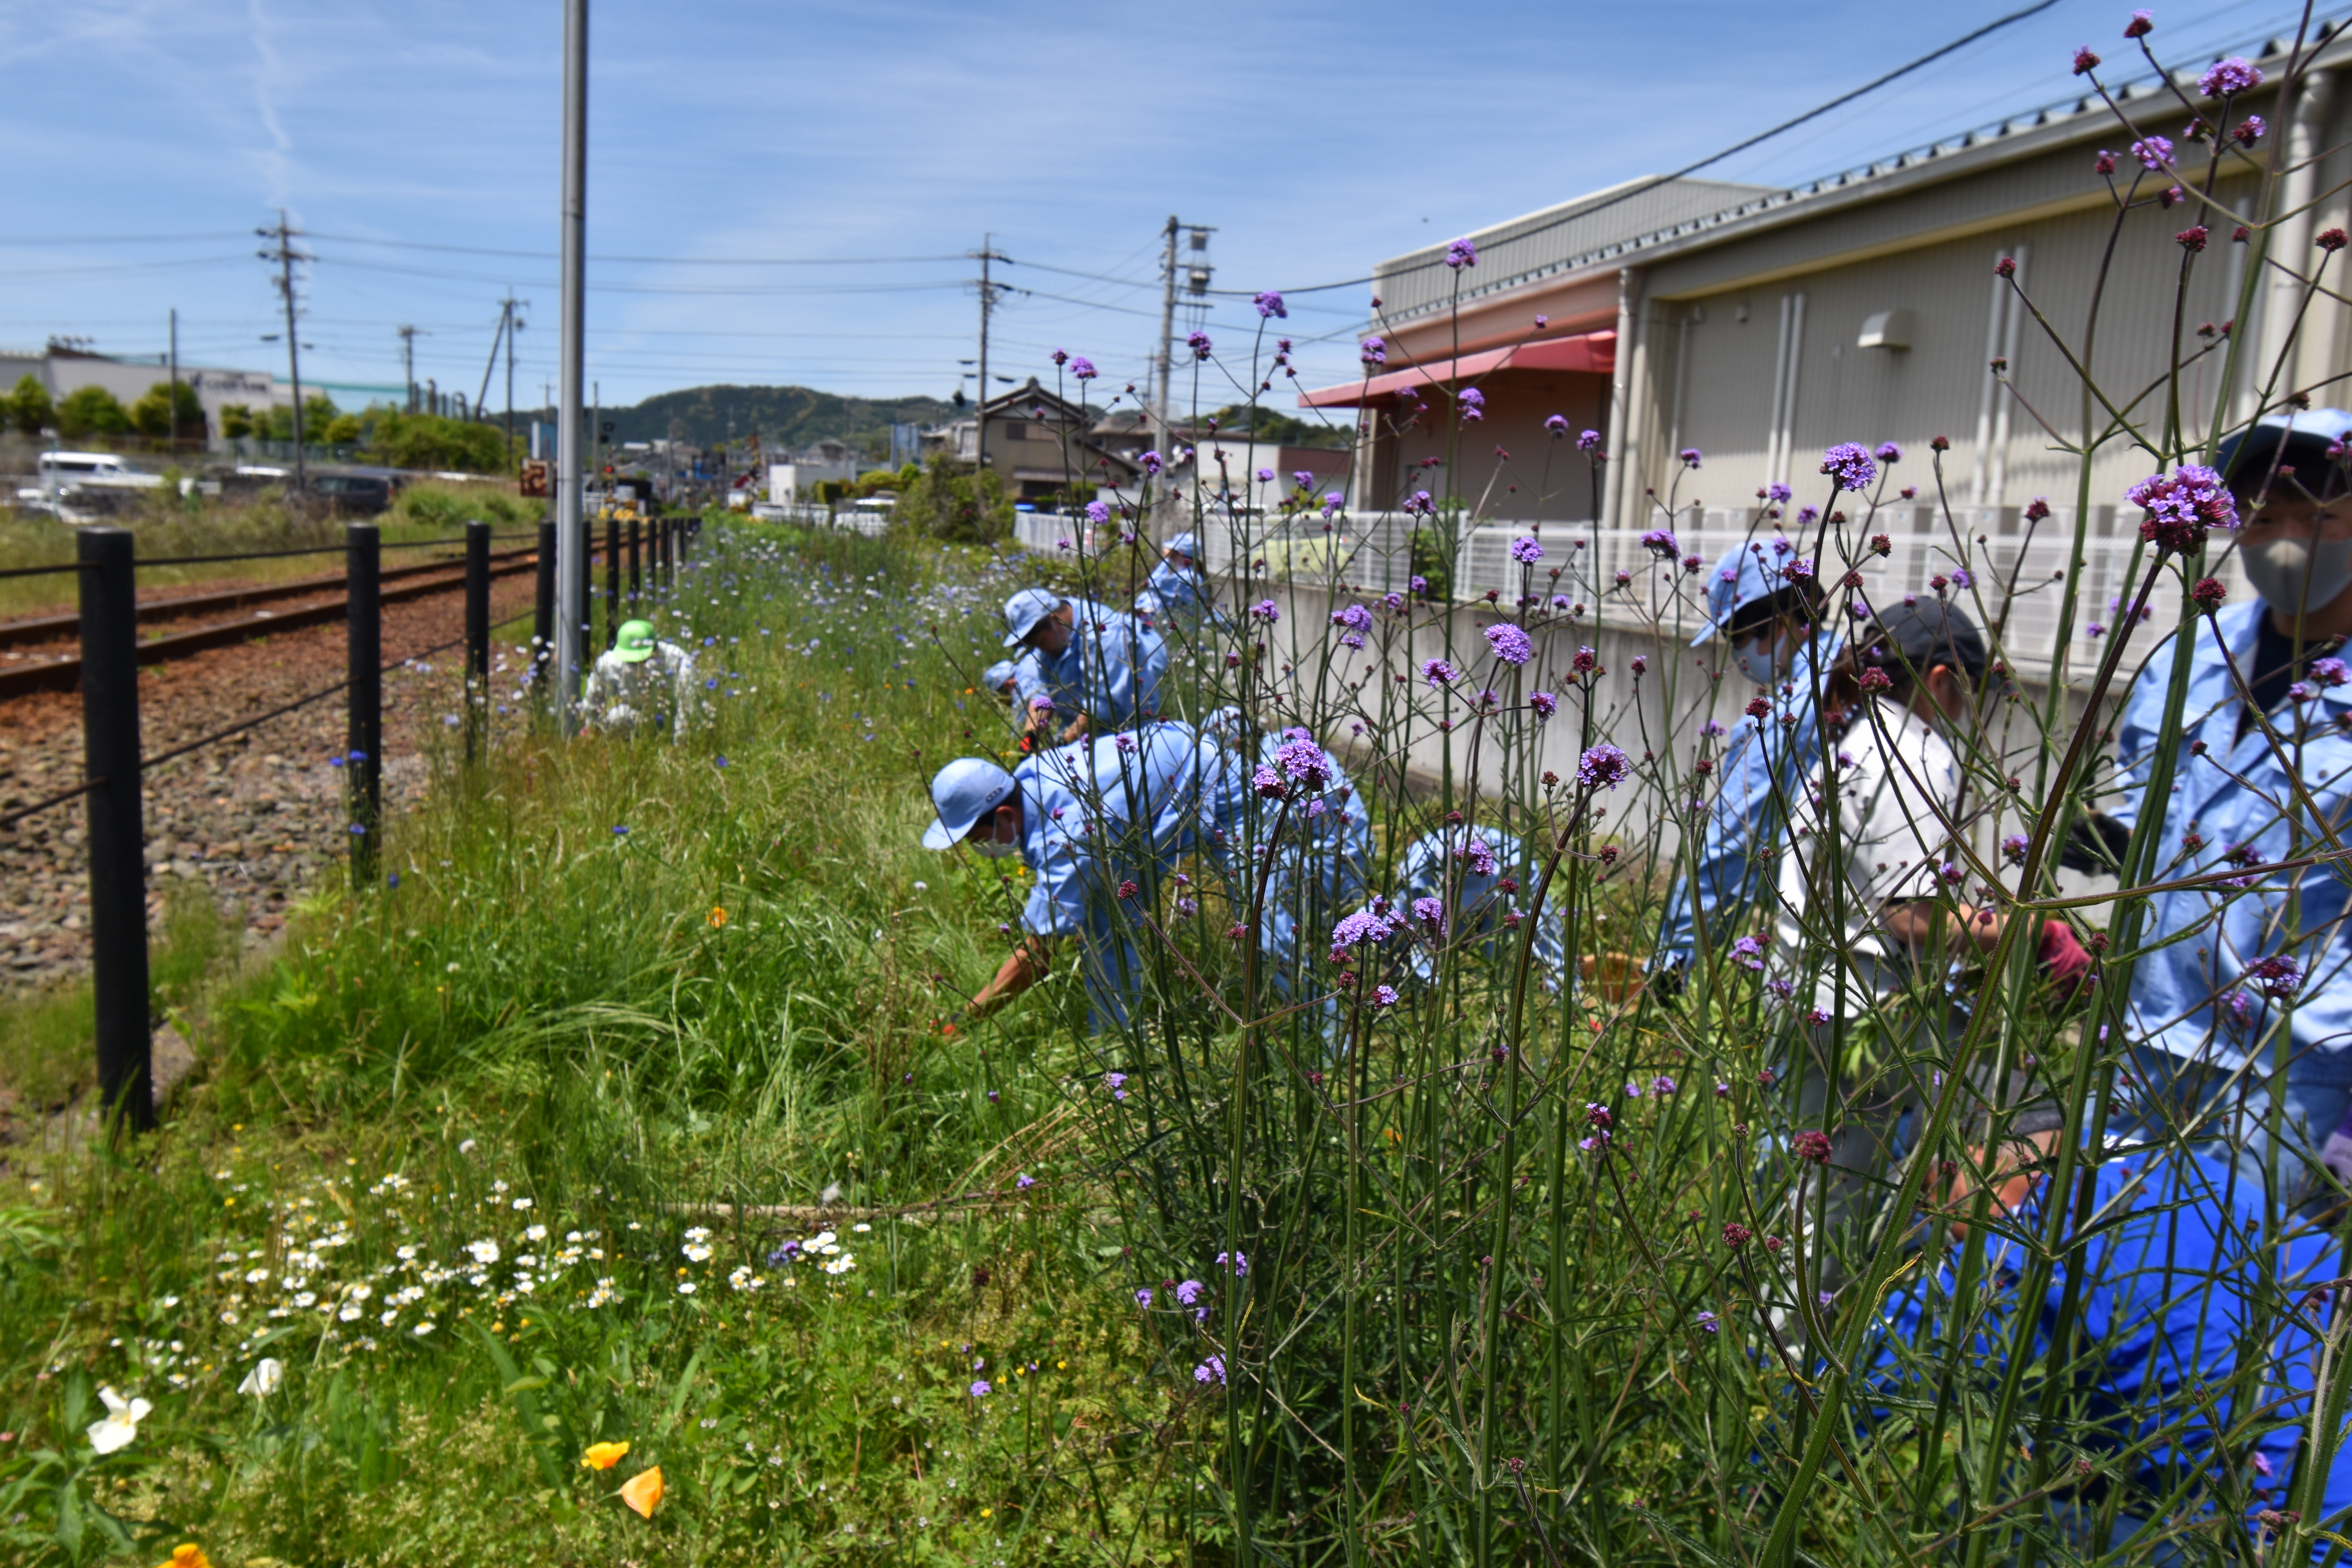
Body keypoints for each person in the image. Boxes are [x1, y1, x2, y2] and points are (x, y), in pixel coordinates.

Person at [1855, 1074, 2347, 1561]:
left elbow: (1860, 1394)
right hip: (2304, 1484)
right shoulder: (2170, 1162)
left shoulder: (2024, 1249)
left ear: (1968, 1160)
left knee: (1970, 1520)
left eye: (1928, 1194)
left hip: (2296, 1544)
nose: (1932, 1219)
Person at [1768, 599, 2088, 1276]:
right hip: (1861, 1015)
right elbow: (1909, 915)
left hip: (1817, 997)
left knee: (1813, 1193)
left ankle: (1789, 1326)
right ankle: (1803, 1351)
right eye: (1972, 694)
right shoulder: (1910, 753)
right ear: (1943, 679)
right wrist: (2027, 931)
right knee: (1839, 1210)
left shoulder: (1857, 739)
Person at [2106, 408, 2352, 1203]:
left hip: (2296, 1075)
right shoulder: (2190, 655)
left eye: (2317, 516)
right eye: (2263, 516)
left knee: (2231, 1298)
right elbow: (2137, 821)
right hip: (2151, 1040)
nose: (2285, 539)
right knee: (2108, 1283)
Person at [920, 722, 1225, 1028]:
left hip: (1221, 785)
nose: (984, 849)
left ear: (1005, 816)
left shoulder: (1065, 839)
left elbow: (1036, 958)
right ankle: (1118, 1046)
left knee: (1268, 927)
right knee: (1107, 917)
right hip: (1178, 762)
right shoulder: (1030, 777)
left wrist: (960, 1022)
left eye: (980, 840)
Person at [1657, 535, 1838, 979]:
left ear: (1780, 623)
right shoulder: (1854, 663)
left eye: (1737, 638)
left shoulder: (1792, 712)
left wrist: (1670, 967)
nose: (1737, 657)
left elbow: (1731, 847)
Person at [1200, 706, 1374, 1007]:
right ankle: (1294, 981)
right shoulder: (1268, 756)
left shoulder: (1283, 755)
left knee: (1260, 895)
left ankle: (1311, 1003)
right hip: (1316, 851)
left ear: (1239, 744)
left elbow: (1269, 833)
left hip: (1340, 856)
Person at [1392, 824, 1568, 993]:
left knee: (1498, 946)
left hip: (1500, 900)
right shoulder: (1416, 869)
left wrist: (1565, 993)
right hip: (1436, 906)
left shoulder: (1519, 864)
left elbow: (1548, 936)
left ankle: (1494, 972)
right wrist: (1432, 987)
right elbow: (1406, 935)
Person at [1002, 587, 1168, 746]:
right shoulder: (1049, 637)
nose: (1037, 648)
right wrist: (1029, 740)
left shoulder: (1104, 632)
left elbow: (1102, 707)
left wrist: (1064, 745)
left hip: (1130, 736)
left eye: (1036, 641)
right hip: (1086, 735)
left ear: (1054, 621)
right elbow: (1043, 692)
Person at [580, 618, 701, 740]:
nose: (639, 666)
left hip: (668, 717)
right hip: (634, 719)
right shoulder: (608, 663)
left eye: (643, 660)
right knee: (618, 716)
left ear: (655, 650)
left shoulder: (678, 660)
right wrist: (591, 727)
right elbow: (592, 701)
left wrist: (681, 741)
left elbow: (687, 706)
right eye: (632, 662)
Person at [1134, 531, 1217, 631]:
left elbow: (1152, 585)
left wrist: (1166, 560)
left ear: (1180, 554)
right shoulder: (1194, 577)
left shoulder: (1187, 578)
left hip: (1175, 631)